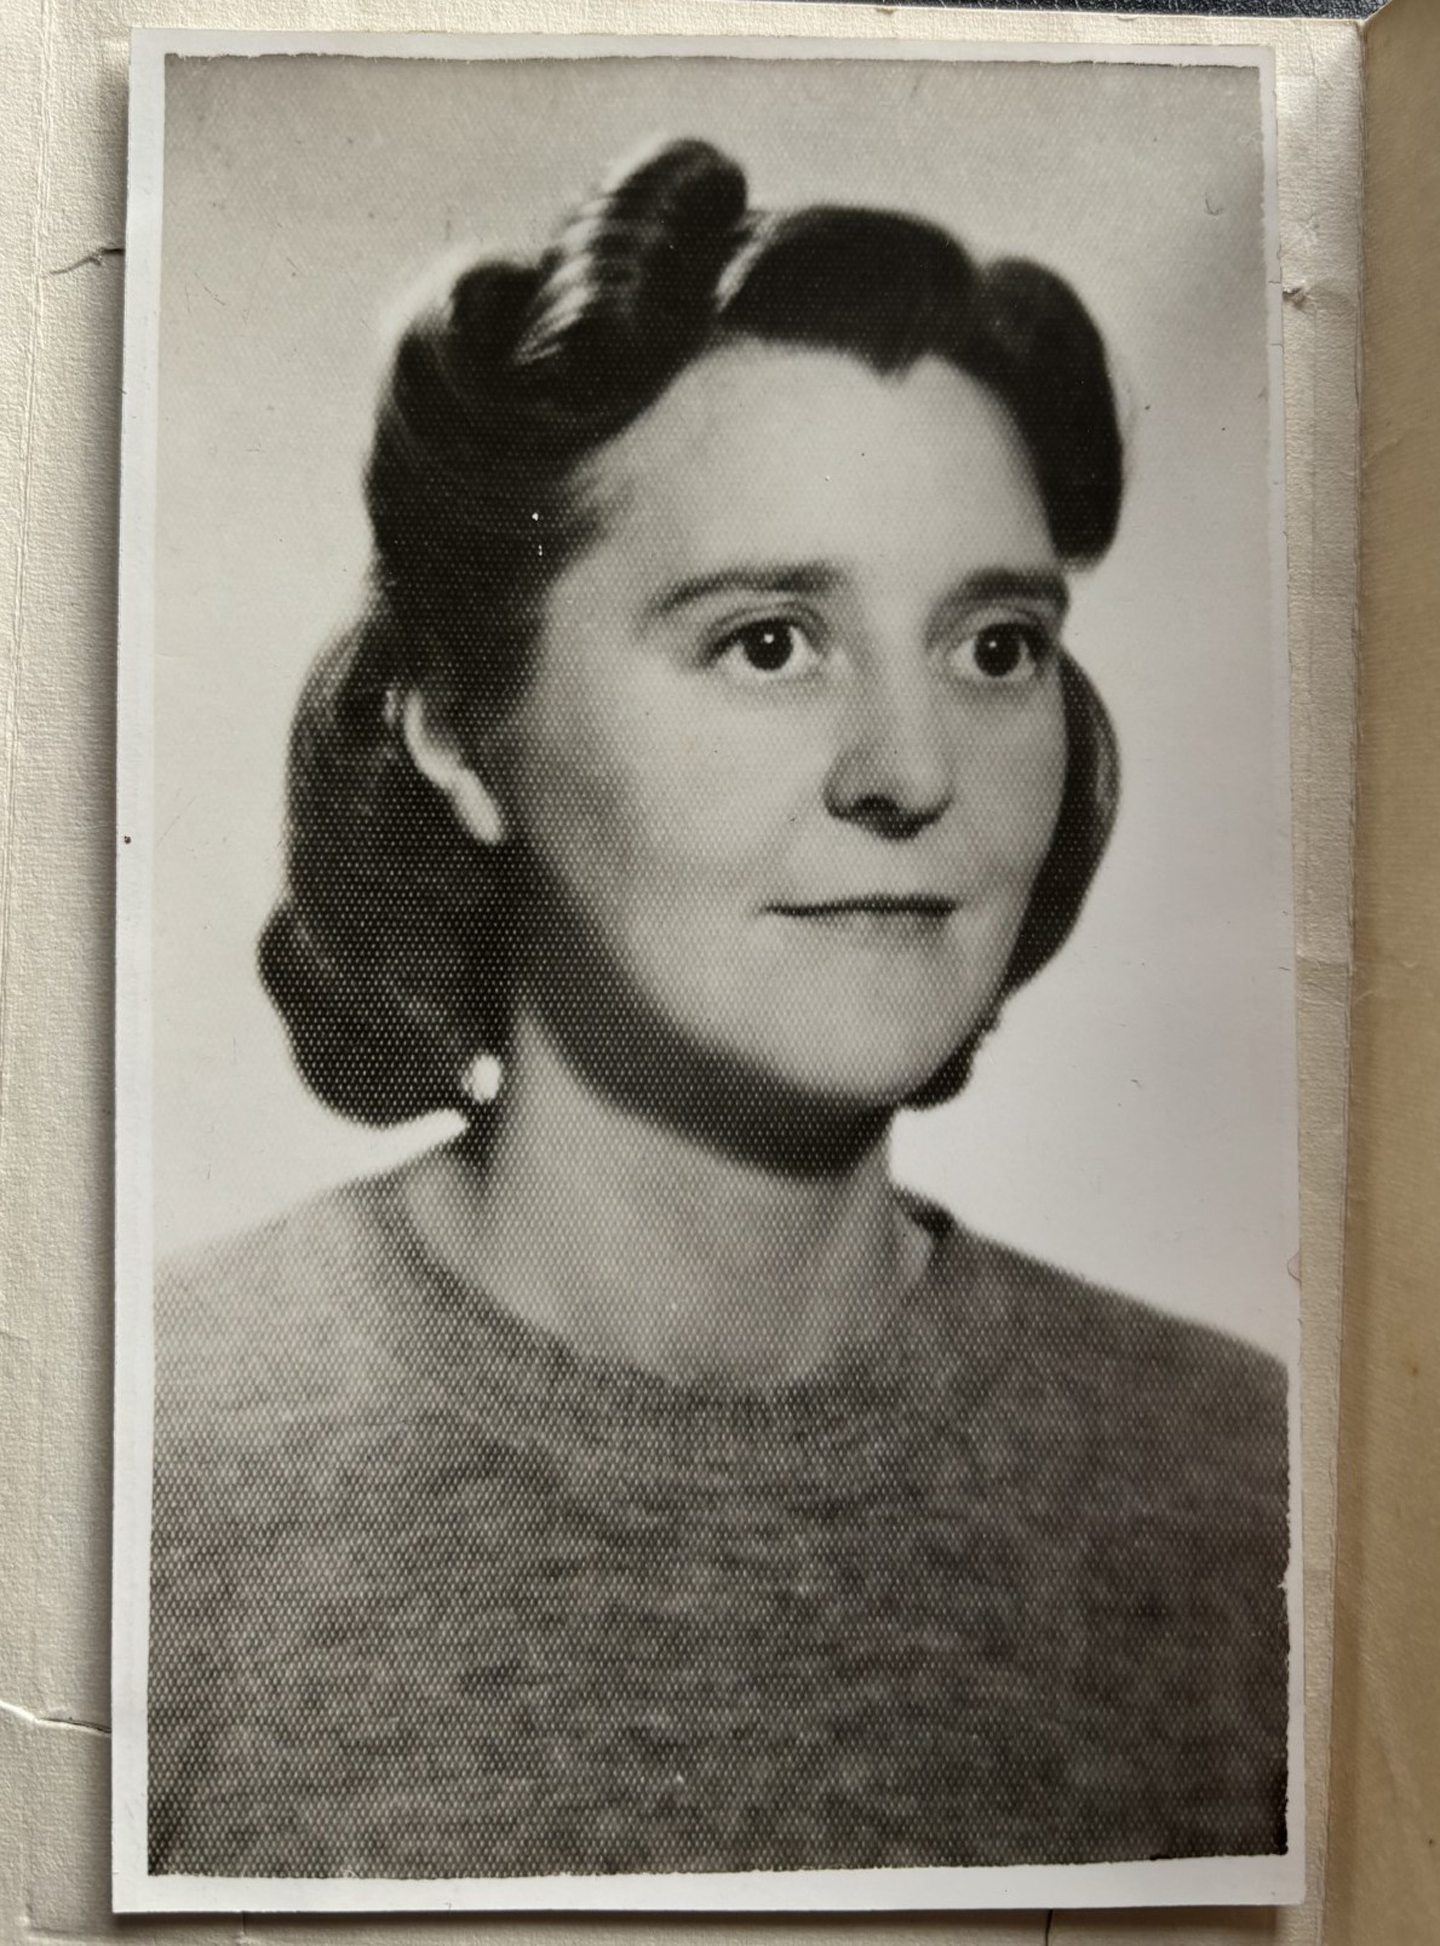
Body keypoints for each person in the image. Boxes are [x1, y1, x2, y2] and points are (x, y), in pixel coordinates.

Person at [147, 138, 1289, 1881]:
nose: (915, 773)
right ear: (461, 726)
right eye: (767, 641)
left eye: (995, 647)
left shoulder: (1248, 1488)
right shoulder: (140, 1469)